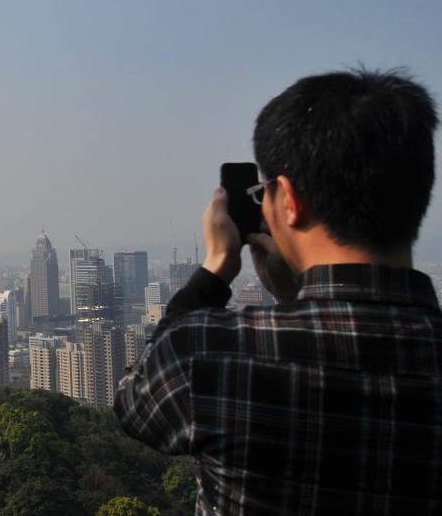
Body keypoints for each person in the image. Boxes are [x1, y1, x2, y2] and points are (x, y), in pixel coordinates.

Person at [115, 68, 441, 515]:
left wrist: (215, 271)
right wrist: (296, 299)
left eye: (262, 190)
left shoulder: (212, 352)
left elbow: (136, 403)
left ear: (287, 200)